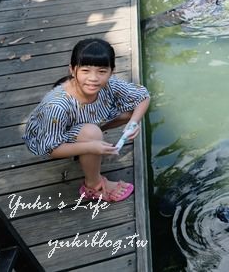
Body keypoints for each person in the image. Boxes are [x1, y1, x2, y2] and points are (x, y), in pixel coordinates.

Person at [23, 38, 150, 202]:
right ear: (72, 70)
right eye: (85, 71)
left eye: (102, 71)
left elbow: (142, 96)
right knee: (91, 133)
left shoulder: (109, 83)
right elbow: (51, 149)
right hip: (52, 136)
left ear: (112, 71)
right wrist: (90, 146)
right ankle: (93, 186)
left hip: (88, 118)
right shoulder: (56, 106)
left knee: (131, 112)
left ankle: (91, 137)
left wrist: (133, 123)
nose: (94, 78)